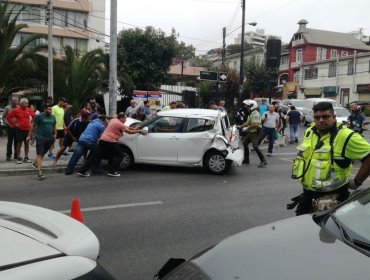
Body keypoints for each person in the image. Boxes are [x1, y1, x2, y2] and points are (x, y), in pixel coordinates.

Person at [291, 102, 370, 216]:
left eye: (326, 117)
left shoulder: (346, 136)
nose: (321, 120)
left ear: (334, 117)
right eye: (317, 117)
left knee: (325, 232)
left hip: (332, 199)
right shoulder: (310, 131)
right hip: (308, 194)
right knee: (302, 228)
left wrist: (357, 182)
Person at [78, 113, 142, 177]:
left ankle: (82, 171)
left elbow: (126, 127)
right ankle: (112, 171)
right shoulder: (119, 123)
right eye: (125, 118)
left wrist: (135, 129)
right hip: (110, 141)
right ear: (121, 118)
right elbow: (128, 131)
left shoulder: (114, 120)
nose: (126, 120)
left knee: (97, 156)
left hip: (103, 140)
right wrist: (138, 131)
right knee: (120, 155)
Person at [28, 104, 56, 179]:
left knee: (43, 153)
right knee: (40, 154)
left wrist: (55, 134)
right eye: (49, 109)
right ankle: (39, 171)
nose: (51, 111)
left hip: (49, 138)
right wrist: (29, 135)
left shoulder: (53, 117)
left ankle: (35, 164)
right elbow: (32, 124)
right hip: (40, 137)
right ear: (45, 109)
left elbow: (54, 125)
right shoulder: (39, 116)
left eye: (51, 109)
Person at [6, 98, 35, 164]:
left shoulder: (28, 110)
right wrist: (14, 124)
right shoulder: (16, 110)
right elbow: (8, 117)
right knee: (19, 143)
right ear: (21, 103)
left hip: (27, 129)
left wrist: (32, 122)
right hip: (19, 130)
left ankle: (26, 157)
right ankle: (18, 157)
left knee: (27, 144)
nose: (27, 104)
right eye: (26, 103)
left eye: (27, 103)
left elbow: (34, 115)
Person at [240, 100, 267, 167]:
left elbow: (255, 125)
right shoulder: (251, 113)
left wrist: (247, 128)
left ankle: (263, 161)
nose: (247, 108)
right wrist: (240, 126)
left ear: (252, 106)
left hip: (255, 132)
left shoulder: (255, 114)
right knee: (245, 143)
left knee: (255, 147)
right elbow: (248, 122)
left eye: (249, 106)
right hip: (251, 132)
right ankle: (246, 159)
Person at [2, 96, 19, 161]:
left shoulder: (18, 108)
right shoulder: (7, 108)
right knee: (10, 141)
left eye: (17, 100)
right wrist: (8, 124)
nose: (16, 101)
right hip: (10, 127)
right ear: (11, 101)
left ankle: (16, 155)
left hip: (18, 127)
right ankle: (8, 155)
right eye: (15, 100)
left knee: (17, 141)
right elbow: (3, 117)